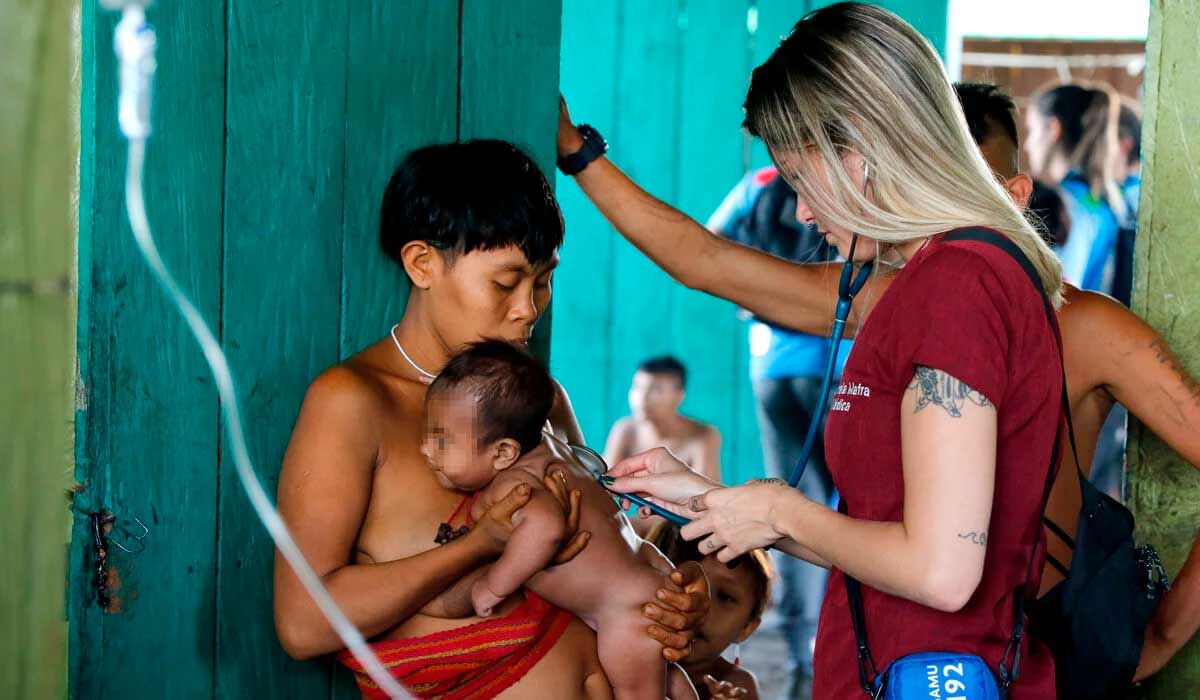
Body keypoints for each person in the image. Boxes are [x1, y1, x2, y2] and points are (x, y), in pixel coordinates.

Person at [563, 69, 1200, 681]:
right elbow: (705, 261)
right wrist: (577, 153)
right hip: (894, 650)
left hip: (1036, 652)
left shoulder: (1091, 328)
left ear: (1014, 196)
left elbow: (941, 569)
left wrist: (1163, 635)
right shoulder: (888, 298)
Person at [272, 139, 708, 700]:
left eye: (543, 282)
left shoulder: (541, 400)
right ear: (422, 264)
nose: (528, 307)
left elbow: (604, 551)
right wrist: (477, 546)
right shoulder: (355, 403)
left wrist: (671, 594)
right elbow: (303, 624)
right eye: (505, 283)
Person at [418, 340, 697, 700]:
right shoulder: (556, 450)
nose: (425, 449)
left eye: (442, 442)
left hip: (621, 611)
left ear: (503, 452)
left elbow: (546, 527)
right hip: (642, 577)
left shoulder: (515, 482)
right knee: (657, 674)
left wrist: (494, 585)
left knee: (636, 692)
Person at [706, 165, 841, 690]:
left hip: (771, 363)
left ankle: (801, 660)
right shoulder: (845, 177)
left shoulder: (758, 180)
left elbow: (712, 241)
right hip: (838, 365)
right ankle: (831, 646)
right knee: (844, 507)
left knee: (796, 507)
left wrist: (753, 299)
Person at [1024, 82, 1130, 297]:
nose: (1027, 144)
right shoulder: (1103, 199)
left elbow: (1060, 296)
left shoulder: (1065, 204)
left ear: (1053, 129)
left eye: (1031, 130)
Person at [649, 523, 771, 700]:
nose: (702, 605)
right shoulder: (613, 659)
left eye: (725, 597)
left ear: (747, 627)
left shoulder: (737, 687)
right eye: (683, 582)